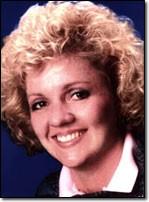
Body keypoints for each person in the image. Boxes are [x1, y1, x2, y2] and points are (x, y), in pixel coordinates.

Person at [1, 1, 144, 198]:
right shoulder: (46, 194)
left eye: (78, 94)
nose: (58, 119)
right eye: (40, 103)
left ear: (118, 90)